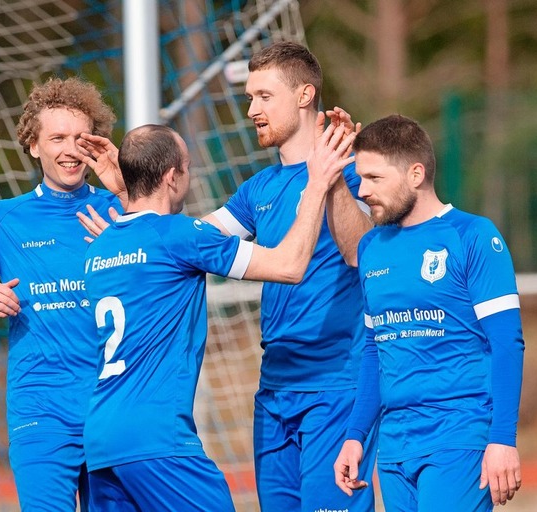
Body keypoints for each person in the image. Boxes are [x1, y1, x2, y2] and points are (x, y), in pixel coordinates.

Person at [76, 41, 378, 512]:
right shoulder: (256, 189)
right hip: (275, 391)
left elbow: (362, 254)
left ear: (304, 96)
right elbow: (172, 237)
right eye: (250, 98)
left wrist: (331, 178)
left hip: (336, 382)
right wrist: (130, 185)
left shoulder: (354, 171)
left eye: (263, 96)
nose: (252, 109)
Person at [0, 77, 121, 511]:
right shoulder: (2, 219)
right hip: (39, 409)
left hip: (111, 406)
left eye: (80, 138)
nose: (70, 150)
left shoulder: (119, 209)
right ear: (34, 145)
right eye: (57, 138)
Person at [333, 114, 525, 511]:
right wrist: (356, 435)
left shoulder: (471, 235)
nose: (363, 190)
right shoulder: (371, 248)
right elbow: (375, 349)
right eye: (360, 178)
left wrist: (503, 438)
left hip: (458, 436)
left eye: (374, 178)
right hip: (395, 445)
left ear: (416, 173)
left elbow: (508, 343)